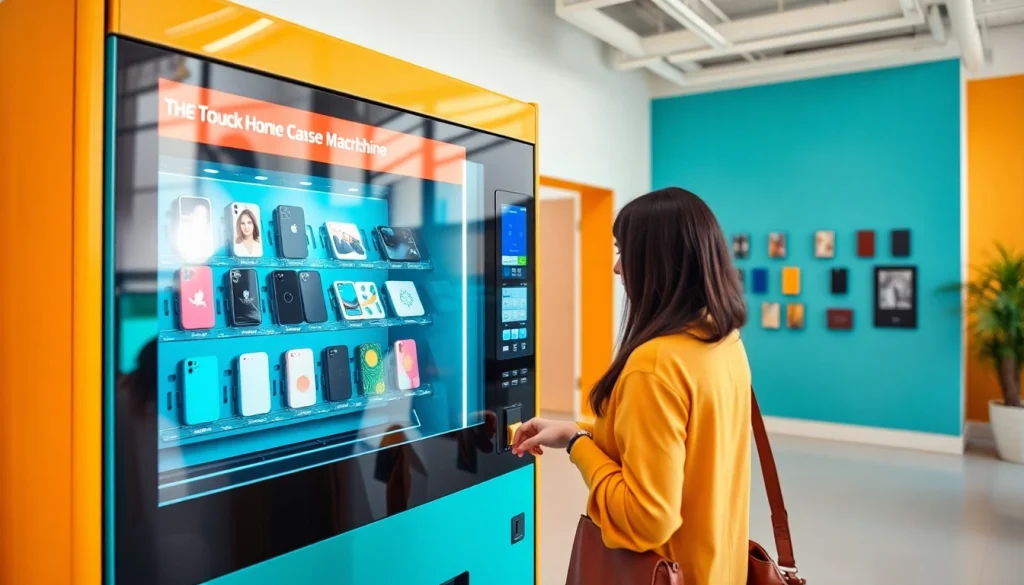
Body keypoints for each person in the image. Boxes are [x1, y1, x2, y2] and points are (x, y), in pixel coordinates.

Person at [512, 187, 752, 585]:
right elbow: (683, 448)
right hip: (719, 569)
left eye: (624, 252)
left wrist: (578, 446)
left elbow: (646, 520)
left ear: (659, 261)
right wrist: (575, 430)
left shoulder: (654, 365)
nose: (617, 268)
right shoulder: (724, 342)